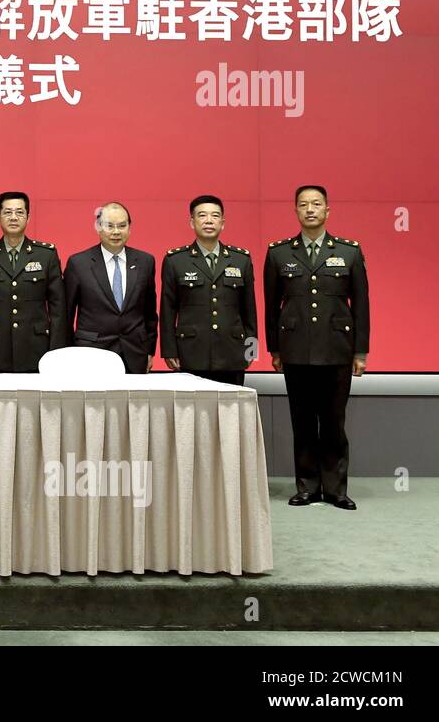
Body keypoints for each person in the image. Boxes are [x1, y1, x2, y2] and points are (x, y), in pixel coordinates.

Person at [264, 184, 370, 510]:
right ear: (296, 210)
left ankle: (336, 489)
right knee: (303, 422)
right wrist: (275, 350)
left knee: (334, 422)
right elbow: (271, 307)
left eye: (316, 204)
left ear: (327, 210)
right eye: (303, 204)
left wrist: (360, 352)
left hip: (337, 350)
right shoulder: (279, 253)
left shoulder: (349, 252)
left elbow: (361, 305)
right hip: (296, 351)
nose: (310, 209)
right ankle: (307, 486)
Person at [0, 191, 66, 372]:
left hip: (36, 349)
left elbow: (58, 308)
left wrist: (55, 351)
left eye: (19, 212)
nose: (13, 217)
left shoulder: (46, 255)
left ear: (28, 217)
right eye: (7, 212)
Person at [160, 195, 257, 385]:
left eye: (215, 215)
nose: (209, 220)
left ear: (223, 223)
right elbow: (168, 310)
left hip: (232, 353)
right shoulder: (175, 260)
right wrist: (169, 350)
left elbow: (250, 311)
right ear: (192, 222)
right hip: (191, 353)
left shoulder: (241, 259)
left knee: (232, 405)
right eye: (202, 215)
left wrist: (251, 351)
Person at [63, 201, 157, 374]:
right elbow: (66, 315)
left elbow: (150, 312)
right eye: (109, 226)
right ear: (98, 227)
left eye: (122, 226)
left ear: (129, 228)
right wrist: (68, 353)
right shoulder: (78, 263)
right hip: (91, 353)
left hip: (135, 353)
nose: (116, 232)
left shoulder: (145, 261)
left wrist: (150, 350)